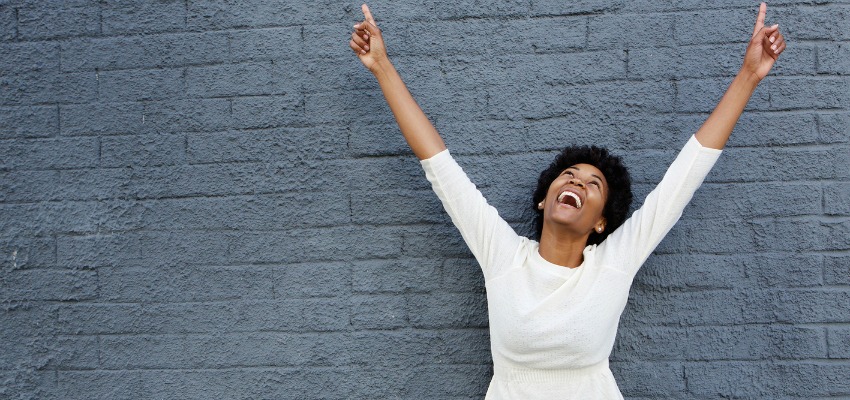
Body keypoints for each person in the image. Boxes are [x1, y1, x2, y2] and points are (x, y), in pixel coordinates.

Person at [349, 3, 785, 399]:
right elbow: (440, 167)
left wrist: (748, 76)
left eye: (593, 184)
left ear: (600, 222)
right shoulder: (504, 258)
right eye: (568, 175)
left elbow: (684, 178)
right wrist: (382, 67)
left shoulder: (613, 264)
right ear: (544, 200)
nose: (576, 182)